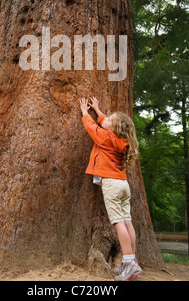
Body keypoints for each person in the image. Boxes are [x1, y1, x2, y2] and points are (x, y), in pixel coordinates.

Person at [79, 96, 142, 282]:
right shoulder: (121, 141)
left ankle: (128, 263)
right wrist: (98, 111)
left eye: (109, 120)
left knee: (118, 223)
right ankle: (133, 259)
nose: (105, 120)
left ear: (113, 128)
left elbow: (93, 128)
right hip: (123, 185)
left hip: (112, 184)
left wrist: (85, 113)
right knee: (127, 221)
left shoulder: (106, 137)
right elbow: (105, 123)